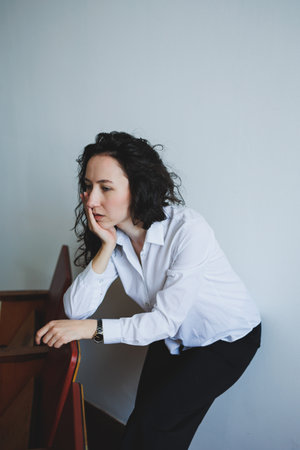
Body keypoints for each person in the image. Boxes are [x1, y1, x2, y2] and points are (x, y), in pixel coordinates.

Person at [36, 131, 261, 450]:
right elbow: (76, 309)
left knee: (155, 426)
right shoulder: (119, 239)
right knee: (145, 421)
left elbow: (162, 320)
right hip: (172, 336)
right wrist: (106, 246)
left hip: (225, 339)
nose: (90, 199)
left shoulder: (188, 230)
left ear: (137, 186)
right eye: (87, 186)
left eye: (105, 188)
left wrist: (89, 330)